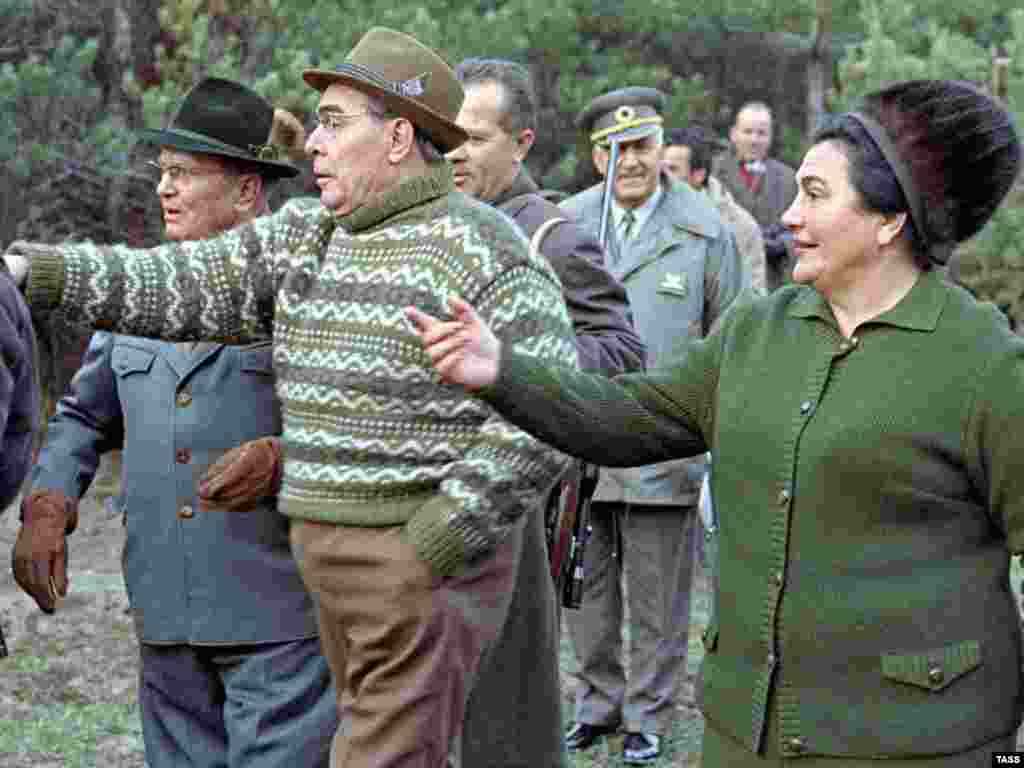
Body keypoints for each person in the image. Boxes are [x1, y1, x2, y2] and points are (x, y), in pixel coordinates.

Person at [407, 78, 1024, 766]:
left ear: (890, 222)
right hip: (745, 737)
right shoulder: (760, 331)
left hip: (914, 744)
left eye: (815, 195)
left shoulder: (986, 366)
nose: (788, 216)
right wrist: (501, 371)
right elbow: (633, 413)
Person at [5, 27, 576, 768]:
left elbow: (549, 411)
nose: (313, 142)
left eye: (335, 123)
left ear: (399, 137)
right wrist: (28, 271)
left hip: (412, 584)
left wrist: (434, 542)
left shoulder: (482, 247)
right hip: (322, 582)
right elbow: (171, 283)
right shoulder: (309, 235)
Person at [11, 77, 337, 768]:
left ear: (248, 191)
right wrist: (48, 501)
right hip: (164, 608)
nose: (165, 190)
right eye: (163, 173)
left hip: (276, 607)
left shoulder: (306, 284)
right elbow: (81, 413)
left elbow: (366, 416)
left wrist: (284, 454)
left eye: (184, 175)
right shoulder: (138, 292)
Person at [449, 57, 646, 768]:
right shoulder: (435, 225)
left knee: (508, 713)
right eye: (446, 136)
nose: (455, 153)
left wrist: (514, 363)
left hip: (515, 507)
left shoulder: (552, 237)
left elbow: (623, 353)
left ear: (522, 142)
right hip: (426, 496)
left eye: (474, 137)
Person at [556, 86, 748, 764]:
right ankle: (597, 703)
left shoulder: (705, 229)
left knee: (659, 596)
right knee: (585, 588)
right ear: (595, 154)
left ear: (661, 146)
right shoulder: (568, 223)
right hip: (578, 439)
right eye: (615, 148)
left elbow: (734, 336)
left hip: (661, 443)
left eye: (640, 146)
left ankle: (649, 714)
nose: (629, 161)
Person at [665, 125, 766, 295]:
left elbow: (755, 301)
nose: (662, 176)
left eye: (672, 169)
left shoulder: (741, 228)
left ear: (698, 175)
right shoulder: (644, 212)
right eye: (660, 168)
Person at [712, 101, 798, 290]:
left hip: (772, 281)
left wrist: (783, 244)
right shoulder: (713, 172)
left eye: (761, 133)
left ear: (770, 137)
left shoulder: (788, 177)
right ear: (733, 133)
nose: (754, 140)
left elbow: (800, 228)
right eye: (747, 132)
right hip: (723, 278)